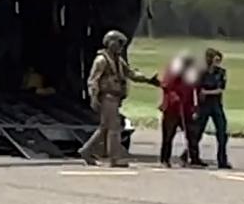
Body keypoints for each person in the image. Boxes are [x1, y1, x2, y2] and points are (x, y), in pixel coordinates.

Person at [79, 29, 159, 167]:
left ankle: (87, 150)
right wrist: (93, 97)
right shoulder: (102, 60)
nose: (121, 46)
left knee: (105, 127)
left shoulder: (118, 60)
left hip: (115, 97)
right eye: (119, 43)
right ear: (111, 43)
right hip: (107, 97)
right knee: (113, 128)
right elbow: (93, 80)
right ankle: (114, 158)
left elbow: (130, 73)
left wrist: (147, 80)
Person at [159, 51, 204, 168]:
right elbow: (166, 85)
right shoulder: (172, 72)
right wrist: (175, 99)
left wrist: (195, 107)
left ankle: (191, 158)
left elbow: (195, 90)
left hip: (187, 109)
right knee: (168, 135)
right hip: (172, 109)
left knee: (192, 134)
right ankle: (165, 159)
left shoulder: (191, 74)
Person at [198, 47, 231, 169]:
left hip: (216, 105)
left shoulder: (221, 73)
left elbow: (220, 89)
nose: (217, 62)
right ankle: (190, 155)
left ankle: (222, 159)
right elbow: (197, 89)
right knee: (197, 131)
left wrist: (206, 92)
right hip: (204, 106)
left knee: (222, 132)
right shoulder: (201, 73)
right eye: (215, 59)